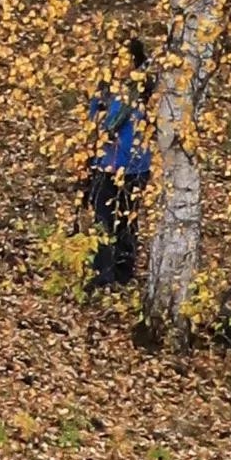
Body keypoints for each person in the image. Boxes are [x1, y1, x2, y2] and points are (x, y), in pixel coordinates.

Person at [80, 57, 151, 301]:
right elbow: (92, 125)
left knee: (127, 222)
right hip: (103, 166)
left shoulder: (146, 90)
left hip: (135, 168)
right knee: (103, 221)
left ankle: (123, 273)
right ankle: (103, 275)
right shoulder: (104, 89)